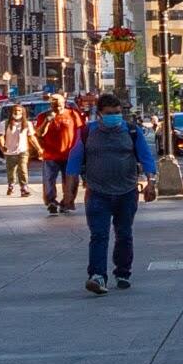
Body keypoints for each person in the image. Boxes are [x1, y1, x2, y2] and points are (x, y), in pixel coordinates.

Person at [66, 92, 156, 295]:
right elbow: (73, 163)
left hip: (127, 192)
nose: (115, 117)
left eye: (118, 113)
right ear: (99, 114)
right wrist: (69, 193)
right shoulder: (87, 133)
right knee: (99, 235)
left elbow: (146, 157)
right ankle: (97, 276)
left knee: (124, 234)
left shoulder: (132, 131)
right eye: (110, 113)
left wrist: (151, 182)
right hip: (98, 193)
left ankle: (123, 271)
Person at [35, 93, 84, 214]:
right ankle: (51, 201)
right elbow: (39, 134)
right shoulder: (43, 116)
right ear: (51, 104)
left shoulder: (73, 114)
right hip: (51, 155)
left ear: (64, 102)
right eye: (54, 104)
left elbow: (81, 131)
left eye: (59, 104)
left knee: (71, 180)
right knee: (48, 180)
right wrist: (47, 121)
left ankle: (67, 203)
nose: (57, 107)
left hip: (70, 154)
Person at [0, 103, 34, 197]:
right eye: (15, 110)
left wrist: (39, 149)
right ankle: (11, 185)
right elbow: (0, 136)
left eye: (19, 111)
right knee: (11, 170)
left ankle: (24, 188)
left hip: (23, 151)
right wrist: (2, 146)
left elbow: (31, 137)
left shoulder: (27, 124)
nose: (17, 112)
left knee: (23, 169)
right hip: (9, 151)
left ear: (23, 112)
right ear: (11, 112)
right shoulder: (4, 124)